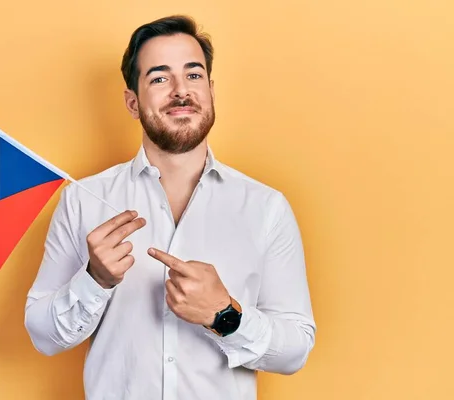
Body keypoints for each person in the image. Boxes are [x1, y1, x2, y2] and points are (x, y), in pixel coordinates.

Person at [24, 14, 316, 400]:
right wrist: (94, 279)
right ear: (132, 102)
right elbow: (44, 337)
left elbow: (295, 349)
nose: (181, 90)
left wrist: (223, 316)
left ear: (210, 90)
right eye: (160, 78)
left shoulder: (266, 208)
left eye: (193, 75)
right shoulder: (83, 199)